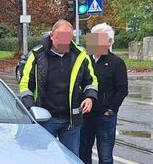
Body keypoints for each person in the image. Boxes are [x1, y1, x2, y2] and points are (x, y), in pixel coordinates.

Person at [18, 20, 97, 155]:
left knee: (72, 159)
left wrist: (90, 97)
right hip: (45, 118)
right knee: (43, 157)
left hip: (71, 120)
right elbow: (25, 85)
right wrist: (32, 108)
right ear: (52, 36)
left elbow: (91, 80)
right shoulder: (37, 55)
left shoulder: (80, 55)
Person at [80, 24, 128, 164]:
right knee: (83, 153)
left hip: (105, 117)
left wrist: (111, 110)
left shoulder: (116, 63)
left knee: (105, 156)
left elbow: (122, 89)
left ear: (109, 42)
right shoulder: (85, 60)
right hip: (85, 116)